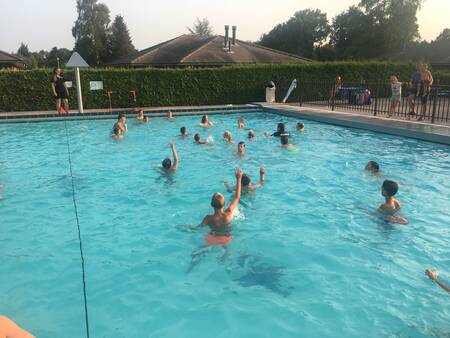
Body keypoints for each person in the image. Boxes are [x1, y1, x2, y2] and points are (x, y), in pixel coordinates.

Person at [196, 168, 243, 246]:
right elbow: (237, 197)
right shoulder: (228, 213)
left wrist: (188, 227)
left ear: (211, 205)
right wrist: (239, 178)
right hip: (226, 238)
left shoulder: (208, 218)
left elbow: (198, 228)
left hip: (212, 237)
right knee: (225, 253)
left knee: (204, 248)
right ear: (224, 203)